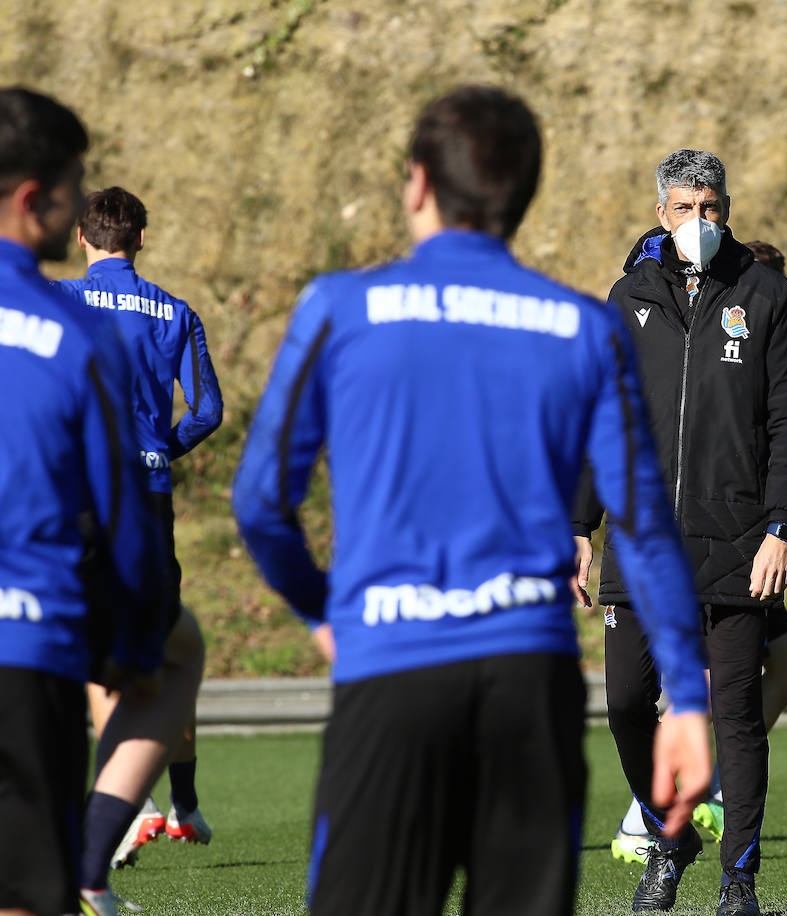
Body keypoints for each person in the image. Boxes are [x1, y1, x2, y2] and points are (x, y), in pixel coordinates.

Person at [232, 85, 712, 916]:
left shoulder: (340, 309)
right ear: (526, 194)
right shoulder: (581, 326)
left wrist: (324, 613)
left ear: (416, 183)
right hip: (528, 683)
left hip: (391, 668)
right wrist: (690, 700)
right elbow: (645, 523)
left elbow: (261, 501)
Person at [573, 152, 787, 916]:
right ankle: (666, 837)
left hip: (737, 543)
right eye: (684, 208)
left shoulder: (768, 294)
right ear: (661, 213)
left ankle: (737, 880)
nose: (699, 222)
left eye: (710, 207)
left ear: (726, 209)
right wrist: (580, 527)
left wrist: (781, 528)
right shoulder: (626, 300)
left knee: (737, 717)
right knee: (623, 705)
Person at [609, 237, 787, 867]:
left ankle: (710, 814)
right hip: (670, 539)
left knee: (779, 669)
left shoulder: (768, 324)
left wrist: (784, 524)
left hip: (734, 538)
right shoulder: (646, 308)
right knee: (683, 691)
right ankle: (650, 818)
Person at [0, 86, 169, 916]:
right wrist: (135, 646)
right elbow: (123, 513)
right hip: (24, 648)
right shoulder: (69, 334)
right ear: (38, 199)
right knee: (30, 890)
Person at [57, 186, 223, 873]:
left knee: (94, 653)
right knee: (163, 643)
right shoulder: (176, 311)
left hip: (87, 496)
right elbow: (208, 410)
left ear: (81, 238)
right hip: (151, 494)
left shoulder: (60, 303)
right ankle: (183, 804)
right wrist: (162, 447)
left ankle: (131, 809)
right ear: (142, 240)